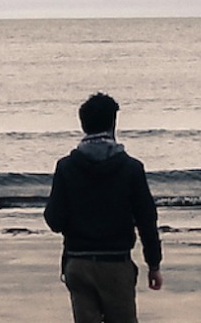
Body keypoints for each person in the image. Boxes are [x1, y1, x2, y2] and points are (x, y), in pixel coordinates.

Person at [45, 93, 163, 323]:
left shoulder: (67, 167)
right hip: (116, 262)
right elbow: (147, 220)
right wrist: (154, 264)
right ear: (113, 123)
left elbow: (54, 220)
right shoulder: (131, 168)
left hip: (78, 261)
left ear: (82, 125)